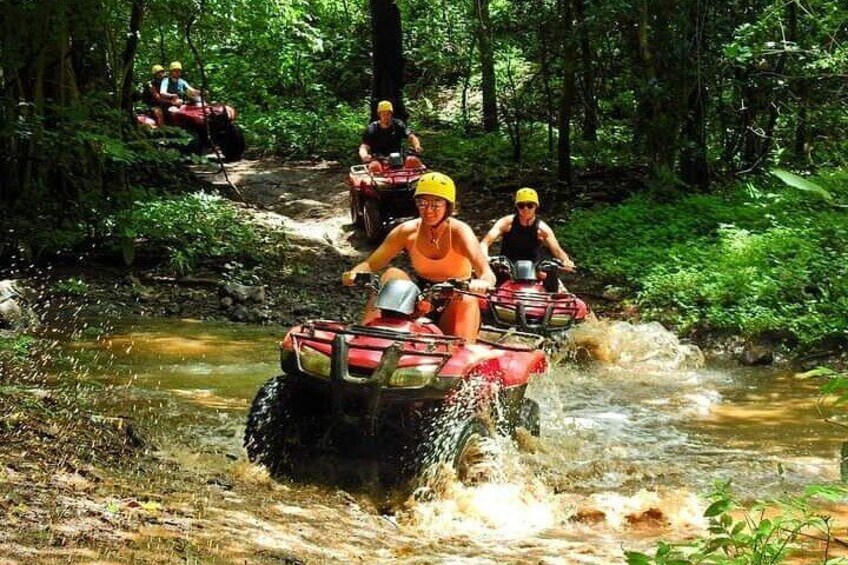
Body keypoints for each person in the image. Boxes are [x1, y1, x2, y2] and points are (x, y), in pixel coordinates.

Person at [342, 172, 495, 342]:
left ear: (448, 207)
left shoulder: (460, 232)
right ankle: (366, 337)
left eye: (436, 204)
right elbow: (371, 264)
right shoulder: (407, 231)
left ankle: (462, 350)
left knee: (466, 298)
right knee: (392, 274)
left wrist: (482, 283)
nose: (428, 210)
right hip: (420, 297)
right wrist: (355, 273)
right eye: (423, 204)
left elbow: (487, 273)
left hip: (456, 297)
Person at [480, 187, 576, 271]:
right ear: (517, 207)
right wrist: (485, 256)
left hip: (535, 271)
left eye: (530, 205)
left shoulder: (542, 229)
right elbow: (485, 242)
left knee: (558, 288)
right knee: (489, 285)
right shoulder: (506, 223)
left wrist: (566, 261)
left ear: (536, 207)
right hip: (506, 269)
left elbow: (557, 250)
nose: (526, 209)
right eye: (521, 206)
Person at [358, 100, 423, 173]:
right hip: (379, 159)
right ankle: (380, 183)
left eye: (388, 114)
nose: (386, 116)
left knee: (413, 160)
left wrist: (417, 146)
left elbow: (411, 137)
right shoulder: (372, 128)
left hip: (398, 158)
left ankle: (417, 180)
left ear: (391, 114)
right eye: (383, 114)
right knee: (374, 166)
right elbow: (364, 146)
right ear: (379, 114)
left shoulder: (398, 124)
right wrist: (364, 155)